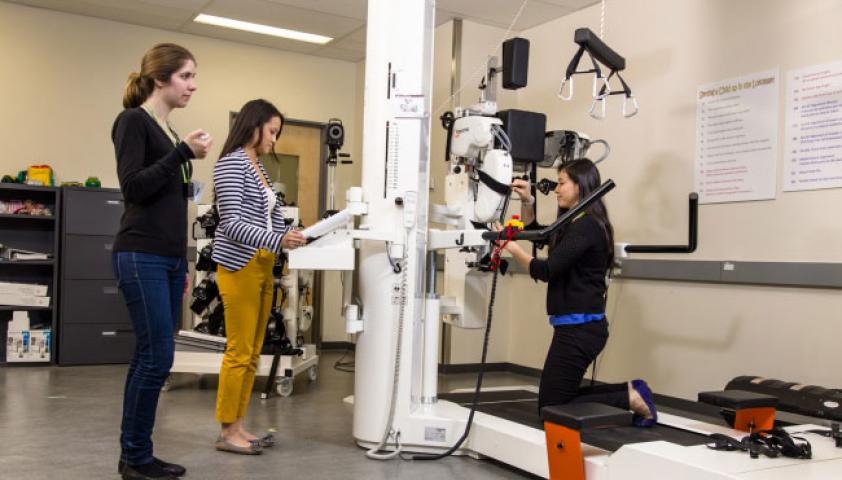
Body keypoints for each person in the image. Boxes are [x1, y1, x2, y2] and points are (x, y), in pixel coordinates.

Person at [112, 43, 213, 480]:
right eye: (186, 76)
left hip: (167, 260)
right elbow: (134, 187)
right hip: (140, 254)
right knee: (156, 358)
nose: (193, 85)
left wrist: (182, 263)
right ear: (160, 80)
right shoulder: (133, 122)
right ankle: (135, 458)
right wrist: (183, 155)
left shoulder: (170, 132)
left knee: (153, 357)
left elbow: (174, 203)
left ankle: (136, 455)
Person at [499, 159, 657, 426]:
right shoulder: (573, 222)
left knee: (552, 405)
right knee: (557, 400)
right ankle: (631, 392)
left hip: (581, 330)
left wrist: (513, 250)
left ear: (580, 185)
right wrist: (527, 200)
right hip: (574, 328)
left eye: (562, 183)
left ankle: (630, 396)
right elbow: (538, 232)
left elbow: (547, 270)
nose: (557, 190)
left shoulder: (587, 226)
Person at [212, 99, 307, 454]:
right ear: (253, 127)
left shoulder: (258, 167)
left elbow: (269, 217)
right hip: (240, 265)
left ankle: (238, 427)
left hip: (264, 263)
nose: (274, 140)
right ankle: (226, 432)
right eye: (271, 131)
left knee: (252, 352)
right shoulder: (232, 164)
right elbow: (233, 224)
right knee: (239, 351)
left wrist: (294, 233)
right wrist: (278, 238)